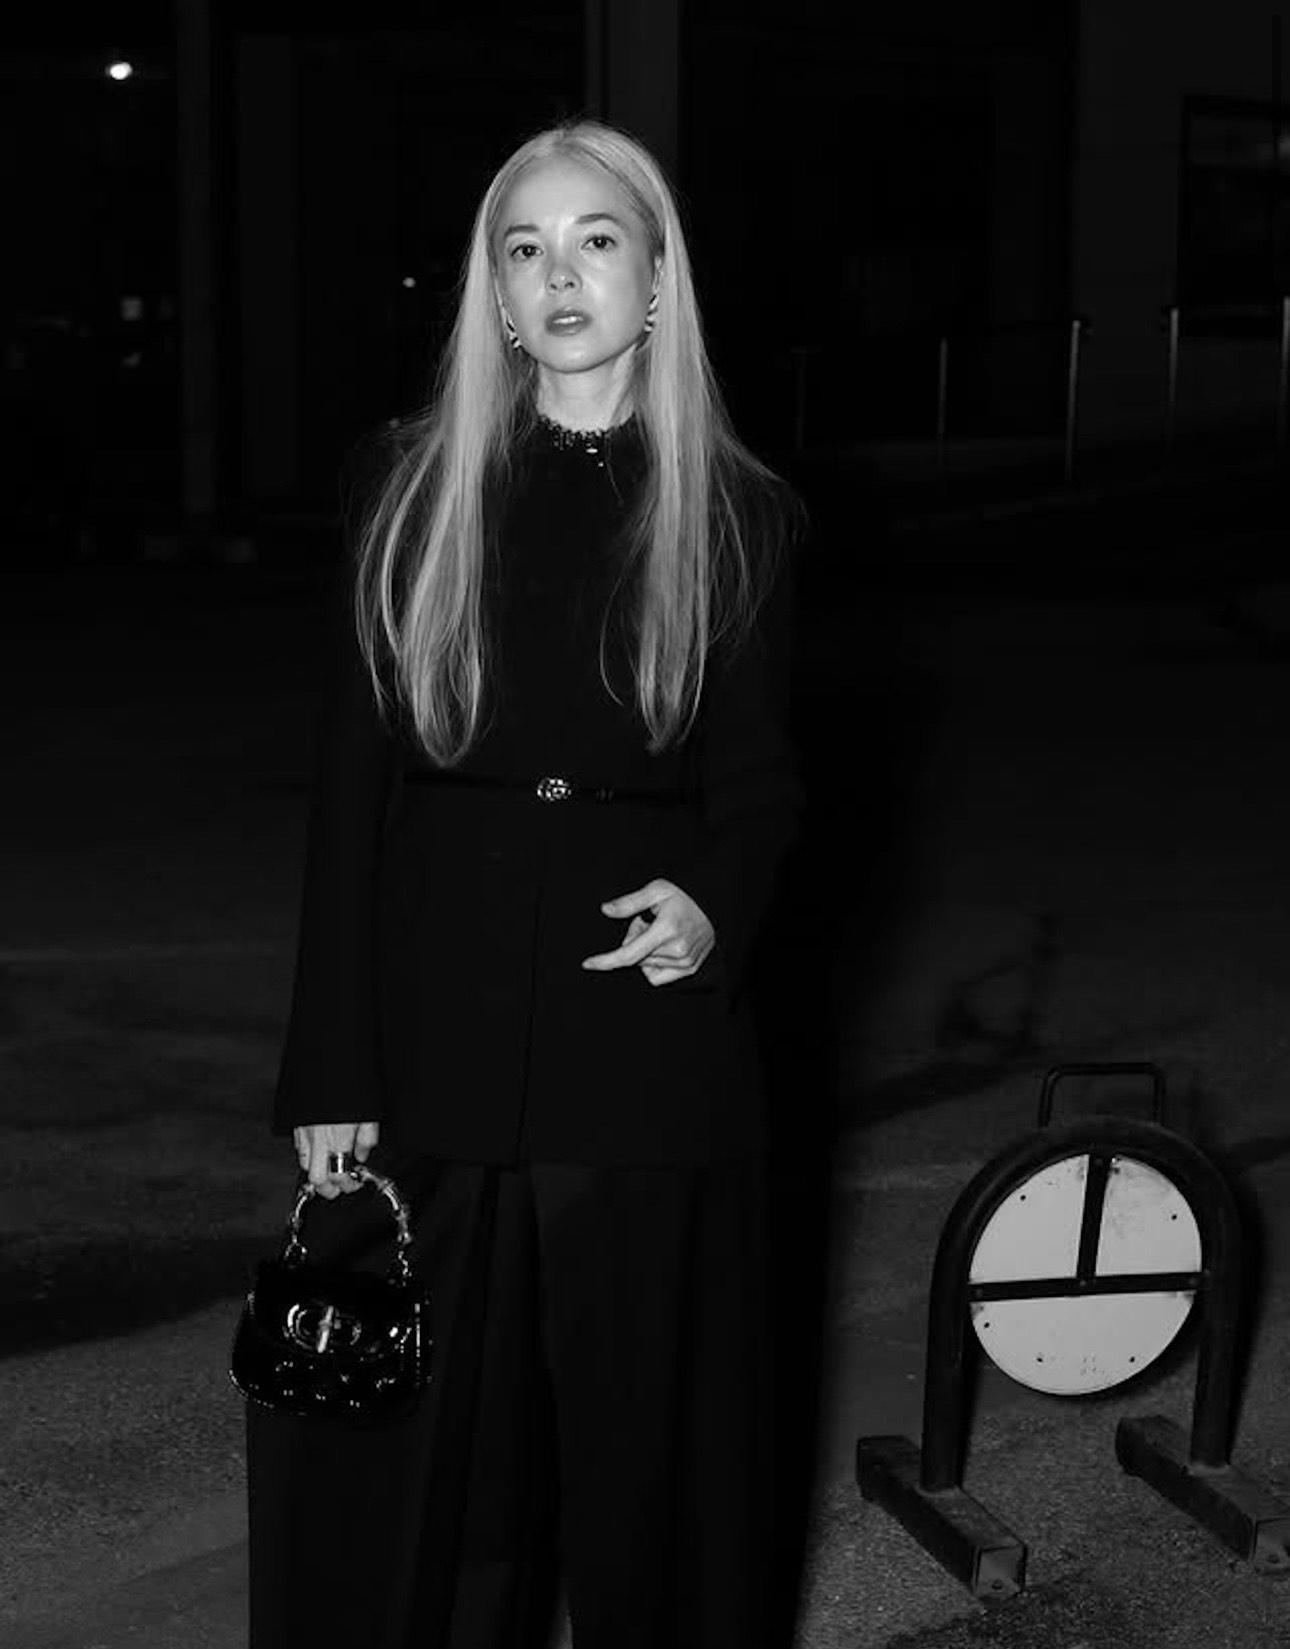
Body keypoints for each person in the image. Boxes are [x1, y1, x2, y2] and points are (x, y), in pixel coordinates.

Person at [246, 118, 805, 1649]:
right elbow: (349, 790)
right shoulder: (407, 484)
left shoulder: (736, 510)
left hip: (643, 1042)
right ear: (494, 296)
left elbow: (763, 788)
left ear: (656, 278)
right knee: (416, 1464)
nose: (559, 274)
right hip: (432, 1028)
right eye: (525, 247)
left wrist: (712, 898)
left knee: (653, 1462)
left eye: (596, 240)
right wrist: (330, 1063)